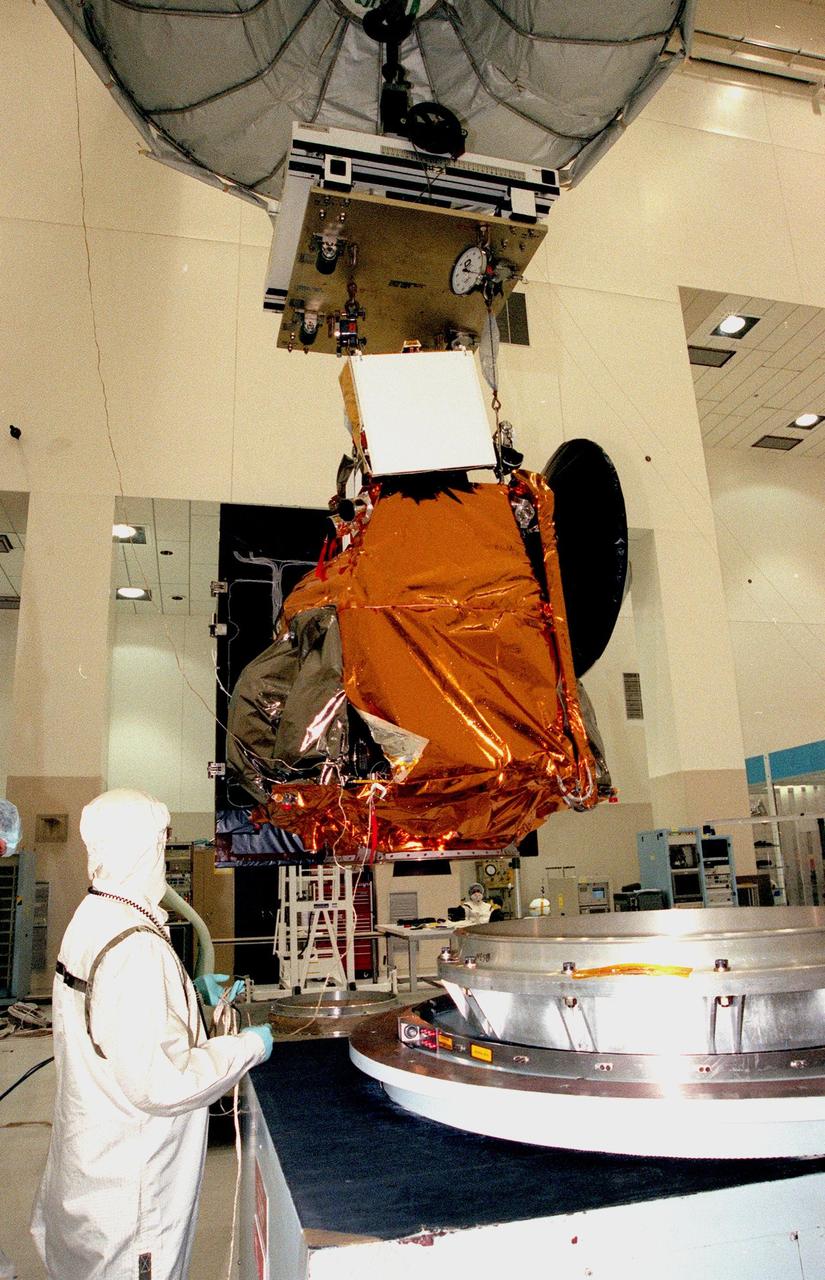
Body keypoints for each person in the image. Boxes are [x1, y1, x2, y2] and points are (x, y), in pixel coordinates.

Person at [31, 788, 273, 1280]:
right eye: (162, 841)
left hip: (92, 1163)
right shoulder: (134, 948)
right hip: (132, 1191)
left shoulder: (94, 915)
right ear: (146, 848)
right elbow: (162, 1085)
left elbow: (110, 1023)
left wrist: (187, 998)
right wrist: (246, 1047)